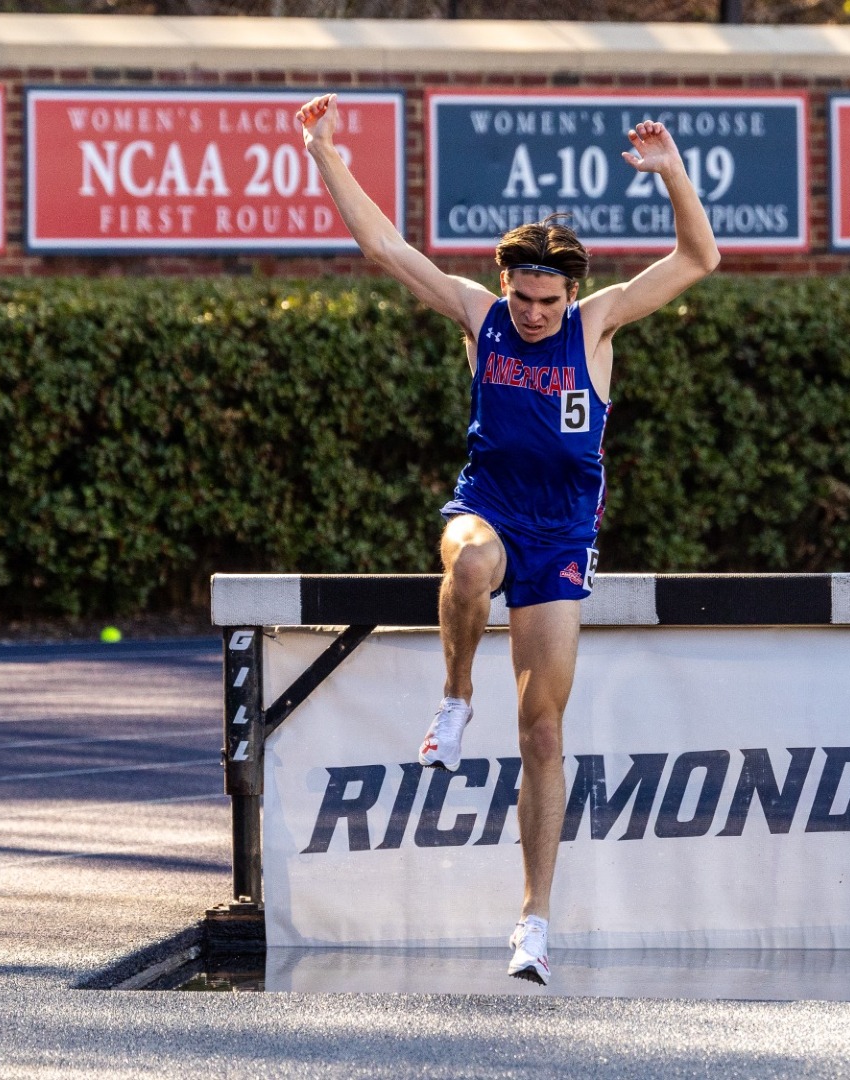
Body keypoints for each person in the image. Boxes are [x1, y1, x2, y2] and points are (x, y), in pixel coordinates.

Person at [298, 93, 720, 982]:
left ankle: (534, 921)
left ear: (571, 293)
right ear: (503, 288)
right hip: (488, 504)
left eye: (548, 301)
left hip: (563, 534)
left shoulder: (596, 323)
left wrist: (673, 172)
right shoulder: (477, 316)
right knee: (473, 564)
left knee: (542, 735)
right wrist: (325, 151)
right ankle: (453, 696)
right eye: (523, 298)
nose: (534, 314)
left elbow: (698, 257)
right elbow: (385, 247)